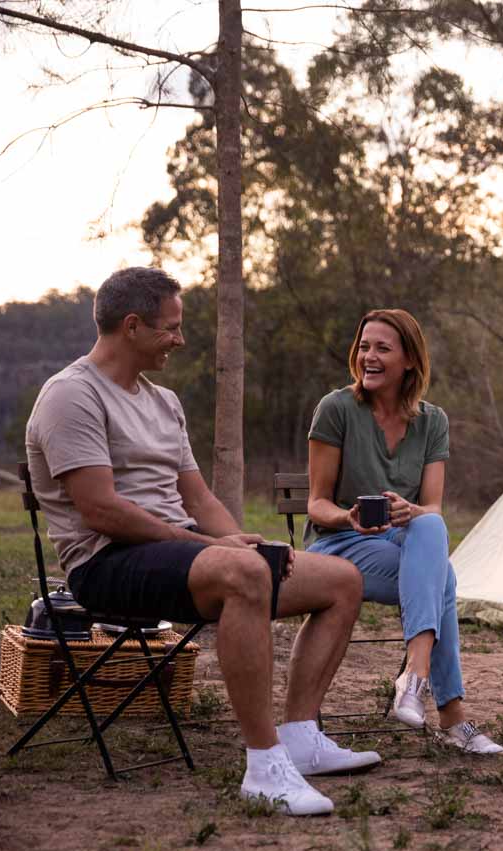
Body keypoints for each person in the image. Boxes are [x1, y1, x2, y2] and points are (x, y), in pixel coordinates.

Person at [25, 267, 378, 816]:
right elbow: (101, 511)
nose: (180, 340)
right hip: (106, 562)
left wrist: (230, 535)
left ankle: (301, 737)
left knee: (340, 579)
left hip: (178, 551)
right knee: (244, 573)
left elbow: (198, 499)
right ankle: (264, 766)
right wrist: (211, 550)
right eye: (171, 328)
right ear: (133, 326)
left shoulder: (164, 401)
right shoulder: (70, 396)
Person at [304, 309, 503, 754]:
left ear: (410, 360)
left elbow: (430, 505)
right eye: (363, 347)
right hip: (339, 543)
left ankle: (414, 679)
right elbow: (316, 504)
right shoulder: (336, 409)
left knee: (430, 523)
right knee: (443, 579)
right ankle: (448, 713)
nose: (368, 357)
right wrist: (348, 516)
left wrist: (409, 510)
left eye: (382, 348)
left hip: (401, 540)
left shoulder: (433, 422)